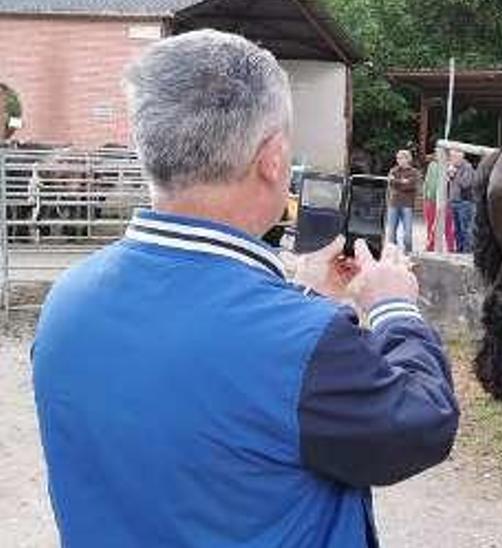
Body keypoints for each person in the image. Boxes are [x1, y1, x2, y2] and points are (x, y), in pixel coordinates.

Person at [32, 30, 458, 547]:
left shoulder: (66, 301)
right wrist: (393, 307)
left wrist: (292, 292)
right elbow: (420, 425)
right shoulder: (306, 341)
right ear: (273, 158)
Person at [387, 149, 420, 253]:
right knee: (391, 233)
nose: (399, 160)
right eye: (398, 158)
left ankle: (408, 253)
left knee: (407, 234)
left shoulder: (414, 172)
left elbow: (411, 185)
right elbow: (391, 183)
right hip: (394, 203)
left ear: (408, 159)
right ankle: (393, 253)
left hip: (407, 205)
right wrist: (402, 182)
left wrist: (398, 182)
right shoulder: (393, 170)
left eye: (401, 158)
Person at [421, 151, 455, 252]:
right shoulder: (432, 165)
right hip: (431, 200)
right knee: (431, 225)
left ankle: (451, 248)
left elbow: (452, 182)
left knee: (448, 226)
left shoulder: (449, 166)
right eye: (437, 152)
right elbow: (427, 181)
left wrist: (450, 175)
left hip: (445, 200)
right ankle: (430, 246)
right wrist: (425, 195)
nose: (437, 155)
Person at [446, 150, 476, 253]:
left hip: (464, 202)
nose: (451, 160)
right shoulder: (453, 168)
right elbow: (450, 185)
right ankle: (459, 249)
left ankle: (467, 251)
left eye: (453, 157)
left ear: (460, 157)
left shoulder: (467, 167)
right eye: (451, 157)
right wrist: (450, 176)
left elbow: (466, 184)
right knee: (457, 229)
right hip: (454, 202)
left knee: (466, 229)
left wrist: (454, 174)